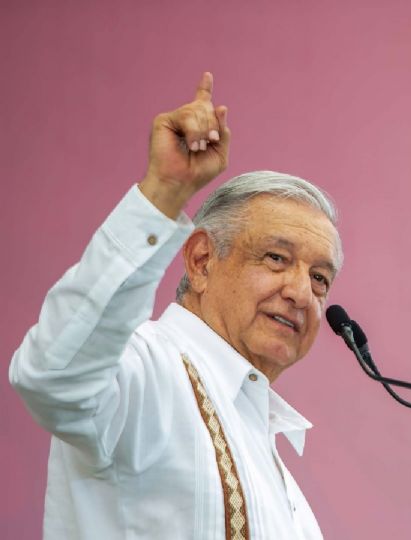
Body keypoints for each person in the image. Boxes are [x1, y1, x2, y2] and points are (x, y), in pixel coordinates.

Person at [9, 72, 339, 539]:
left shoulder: (288, 494)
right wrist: (163, 192)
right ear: (202, 260)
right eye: (276, 258)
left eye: (320, 279)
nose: (301, 292)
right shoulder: (146, 370)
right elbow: (52, 376)